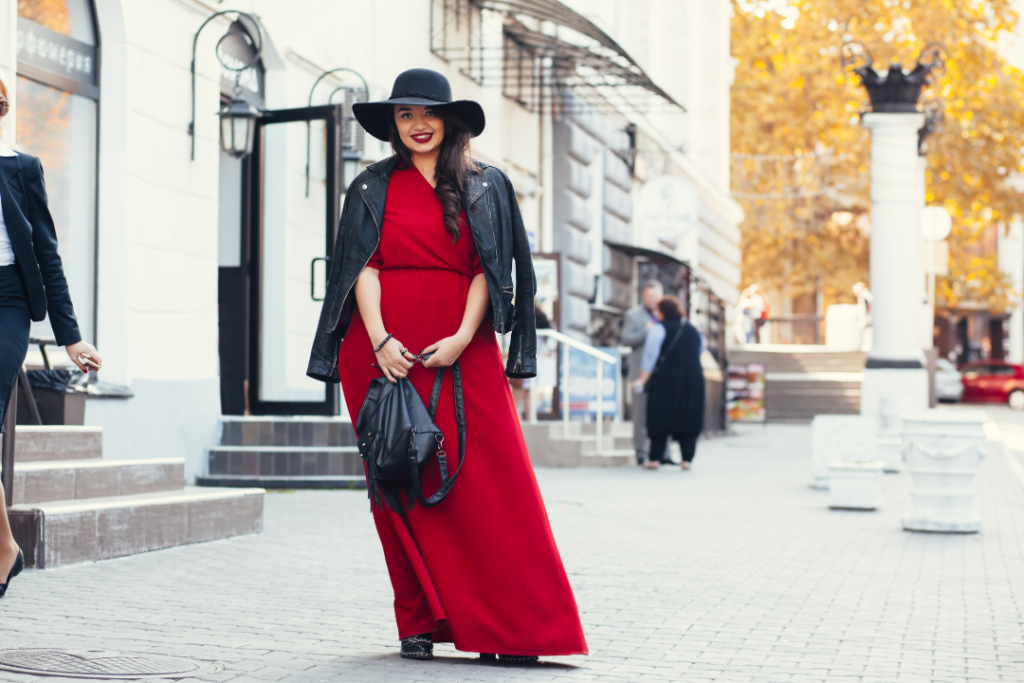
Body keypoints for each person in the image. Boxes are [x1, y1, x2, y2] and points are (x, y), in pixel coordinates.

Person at [306, 69, 587, 662]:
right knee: (398, 480)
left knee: (493, 483)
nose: (418, 124)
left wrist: (463, 335)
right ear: (394, 124)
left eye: (427, 113)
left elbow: (494, 267)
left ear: (450, 120)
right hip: (381, 352)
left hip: (465, 345)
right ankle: (419, 620)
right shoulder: (369, 187)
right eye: (405, 115)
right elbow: (362, 266)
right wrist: (380, 340)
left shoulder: (489, 185)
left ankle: (513, 628)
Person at [0, 74, 102, 597]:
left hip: (9, 302)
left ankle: (3, 548)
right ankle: (5, 546)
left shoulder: (21, 168)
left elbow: (46, 255)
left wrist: (71, 337)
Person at [632, 296, 704, 470]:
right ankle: (687, 459)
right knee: (689, 418)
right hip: (692, 381)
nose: (655, 314)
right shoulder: (694, 330)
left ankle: (655, 458)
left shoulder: (658, 329)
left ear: (663, 311)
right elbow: (701, 349)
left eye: (657, 310)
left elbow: (650, 356)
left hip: (666, 381)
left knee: (660, 417)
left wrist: (642, 379)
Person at [619, 280, 663, 464]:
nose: (652, 300)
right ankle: (641, 452)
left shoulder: (665, 315)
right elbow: (625, 339)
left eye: (655, 296)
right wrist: (646, 332)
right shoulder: (633, 315)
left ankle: (662, 453)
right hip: (639, 372)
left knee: (662, 413)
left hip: (661, 372)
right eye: (649, 296)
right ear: (643, 297)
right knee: (640, 413)